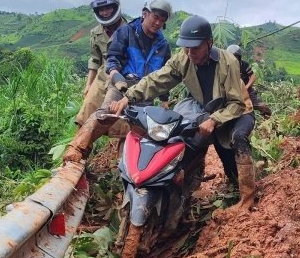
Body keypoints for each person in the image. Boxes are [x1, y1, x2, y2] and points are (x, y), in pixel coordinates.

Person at [107, 16, 257, 212]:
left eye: (195, 48)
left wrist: (214, 120)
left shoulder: (228, 62)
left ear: (209, 42)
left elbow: (236, 104)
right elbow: (157, 80)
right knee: (184, 146)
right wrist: (129, 97)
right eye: (186, 47)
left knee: (236, 140)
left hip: (237, 110)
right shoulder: (183, 59)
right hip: (207, 109)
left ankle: (247, 199)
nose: (190, 53)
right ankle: (178, 203)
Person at [62, 0, 173, 163]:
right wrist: (114, 73)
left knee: (136, 133)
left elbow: (164, 74)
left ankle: (125, 168)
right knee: (105, 113)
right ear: (145, 13)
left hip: (145, 92)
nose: (158, 23)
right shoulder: (126, 32)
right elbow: (113, 57)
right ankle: (76, 150)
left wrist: (164, 99)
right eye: (155, 17)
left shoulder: (163, 45)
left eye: (162, 20)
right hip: (122, 84)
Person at [73, 0, 128, 138]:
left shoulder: (130, 29)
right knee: (86, 113)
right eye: (101, 10)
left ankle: (121, 152)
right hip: (102, 77)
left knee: (121, 122)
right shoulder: (96, 32)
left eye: (108, 8)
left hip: (123, 78)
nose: (105, 12)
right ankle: (77, 149)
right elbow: (95, 60)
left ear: (115, 7)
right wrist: (88, 84)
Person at [227, 44, 271, 118]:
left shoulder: (244, 65)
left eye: (235, 56)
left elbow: (253, 77)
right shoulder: (226, 66)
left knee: (263, 107)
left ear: (239, 57)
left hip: (247, 91)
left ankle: (267, 120)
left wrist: (246, 87)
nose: (233, 58)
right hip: (233, 93)